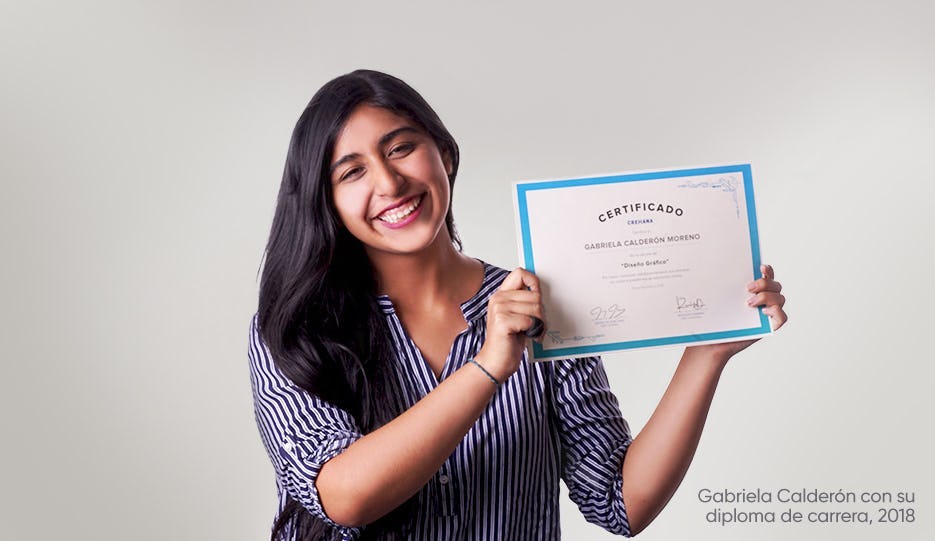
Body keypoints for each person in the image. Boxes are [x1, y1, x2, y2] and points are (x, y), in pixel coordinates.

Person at [248, 69, 787, 541]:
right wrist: (488, 367)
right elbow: (343, 497)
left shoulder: (539, 305)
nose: (389, 182)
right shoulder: (295, 327)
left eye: (401, 148)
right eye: (352, 172)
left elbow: (622, 503)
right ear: (329, 202)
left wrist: (705, 352)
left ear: (446, 154)